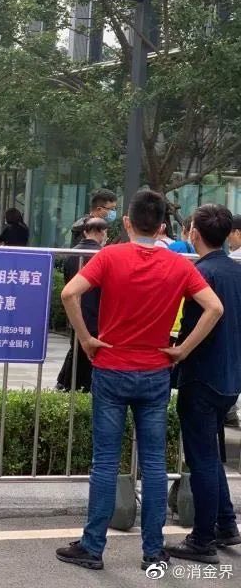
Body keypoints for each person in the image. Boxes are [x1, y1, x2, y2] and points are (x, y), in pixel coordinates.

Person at [56, 190, 223, 572]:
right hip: (155, 372)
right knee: (153, 463)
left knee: (105, 462)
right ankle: (153, 550)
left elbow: (69, 293)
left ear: (127, 222)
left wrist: (86, 338)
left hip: (111, 368)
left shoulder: (109, 256)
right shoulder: (179, 265)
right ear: (162, 227)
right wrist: (182, 349)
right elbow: (214, 307)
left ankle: (92, 547)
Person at [165, 205, 241, 564]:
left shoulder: (201, 274)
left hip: (202, 375)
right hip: (230, 378)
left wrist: (180, 350)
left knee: (203, 460)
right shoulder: (236, 271)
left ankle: (202, 539)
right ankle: (225, 525)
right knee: (211, 455)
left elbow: (197, 320)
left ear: (193, 233)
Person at [56, 217, 108, 392]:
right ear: (102, 232)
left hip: (75, 310)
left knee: (76, 349)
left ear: (85, 232)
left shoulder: (72, 254)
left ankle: (68, 385)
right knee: (93, 353)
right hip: (97, 312)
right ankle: (83, 386)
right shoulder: (103, 255)